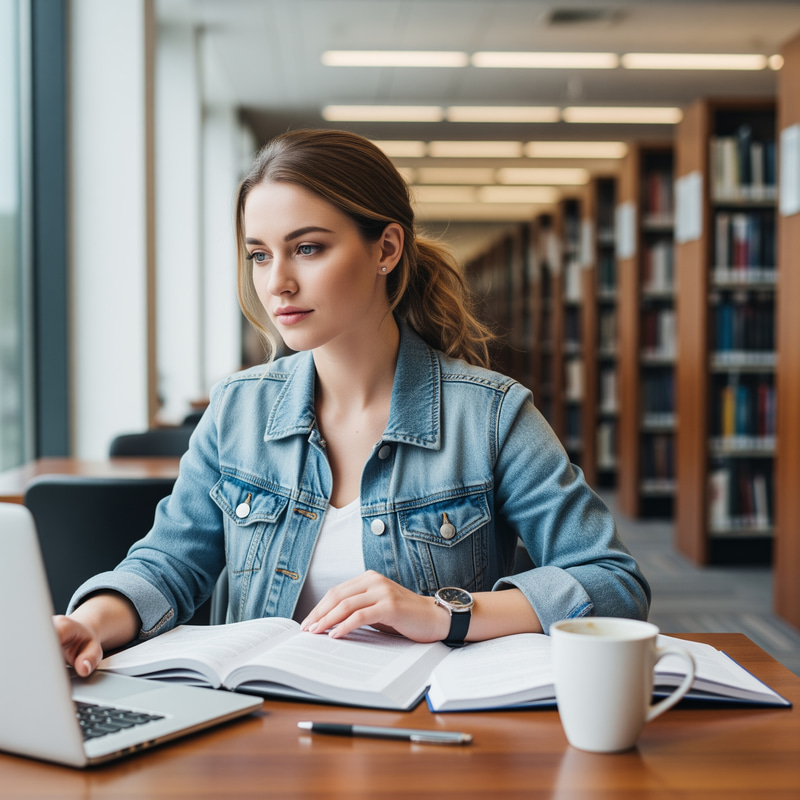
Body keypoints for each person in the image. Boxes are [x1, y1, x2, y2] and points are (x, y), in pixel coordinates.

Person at [57, 129, 650, 677]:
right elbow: (168, 565)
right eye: (259, 255)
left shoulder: (491, 416)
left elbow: (612, 582)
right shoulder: (236, 411)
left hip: (423, 729)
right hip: (258, 729)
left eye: (307, 249)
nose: (277, 283)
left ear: (386, 248)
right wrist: (89, 623)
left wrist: (444, 614)